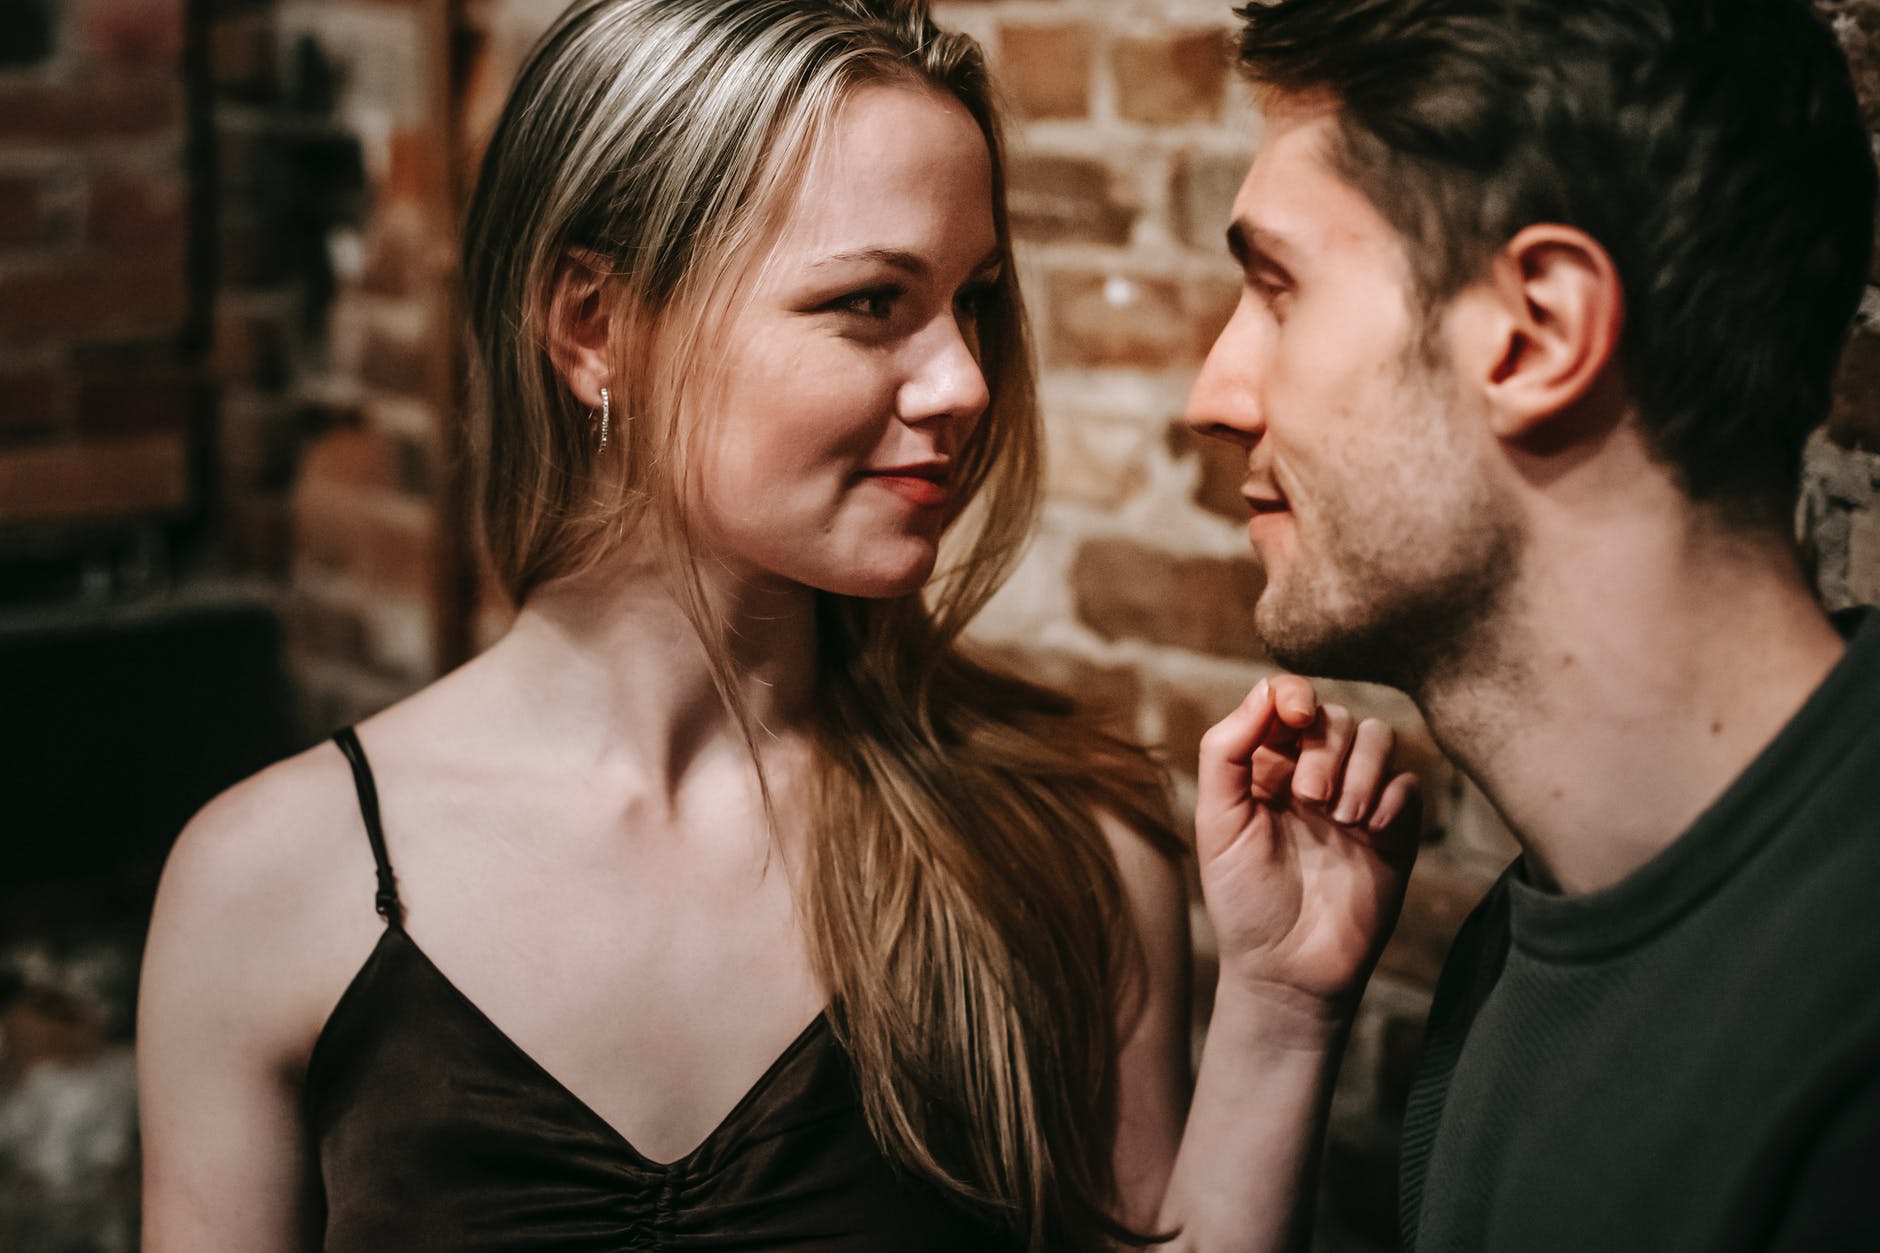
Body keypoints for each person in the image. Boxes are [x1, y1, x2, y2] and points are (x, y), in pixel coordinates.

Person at [137, 1, 1421, 1249]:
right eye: (870, 301)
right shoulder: (270, 883)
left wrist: (1279, 1009)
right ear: (594, 326)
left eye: (971, 298)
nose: (963, 380)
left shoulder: (1066, 843)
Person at [1184, 0, 1880, 1249]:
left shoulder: (1843, 1032)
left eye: (1276, 291)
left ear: (1537, 334)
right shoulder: (1529, 937)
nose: (1213, 396)